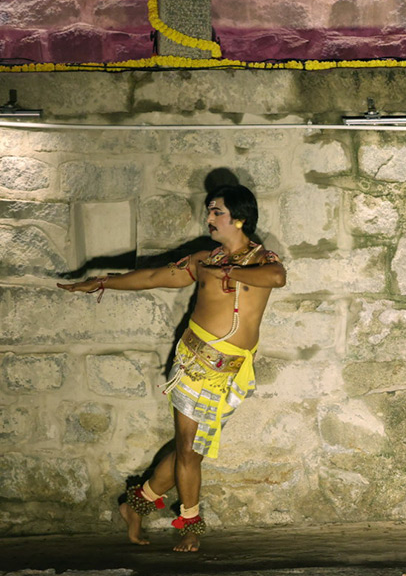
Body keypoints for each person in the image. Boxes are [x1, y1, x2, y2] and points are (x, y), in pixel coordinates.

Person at [58, 185, 286, 551]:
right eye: (210, 211)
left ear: (239, 218)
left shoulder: (262, 261)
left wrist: (231, 271)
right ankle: (189, 524)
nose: (209, 218)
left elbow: (277, 278)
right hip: (193, 365)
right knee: (187, 448)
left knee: (190, 451)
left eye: (217, 212)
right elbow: (153, 277)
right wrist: (103, 282)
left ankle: (136, 504)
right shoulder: (201, 261)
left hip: (231, 373)